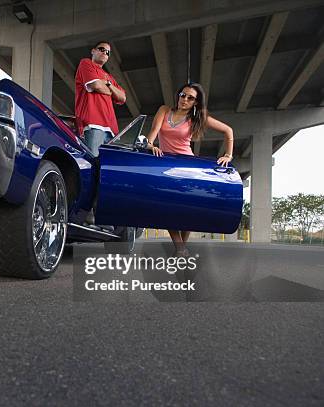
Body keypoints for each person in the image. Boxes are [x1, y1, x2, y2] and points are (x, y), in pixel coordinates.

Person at [145, 82, 234, 257]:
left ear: (196, 102)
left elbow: (228, 130)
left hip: (188, 167)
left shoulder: (196, 119)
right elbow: (153, 133)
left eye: (190, 98)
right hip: (167, 166)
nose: (184, 99)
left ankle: (181, 248)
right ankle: (180, 248)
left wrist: (228, 155)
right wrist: (150, 145)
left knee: (188, 210)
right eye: (182, 95)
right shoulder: (164, 110)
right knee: (167, 207)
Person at [75, 41, 126, 225]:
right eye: (102, 50)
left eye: (108, 52)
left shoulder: (109, 76)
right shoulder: (86, 64)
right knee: (93, 168)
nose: (105, 53)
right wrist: (108, 88)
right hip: (93, 124)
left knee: (106, 173)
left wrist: (109, 86)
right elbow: (96, 86)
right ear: (93, 51)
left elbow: (122, 97)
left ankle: (101, 214)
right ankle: (86, 211)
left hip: (111, 129)